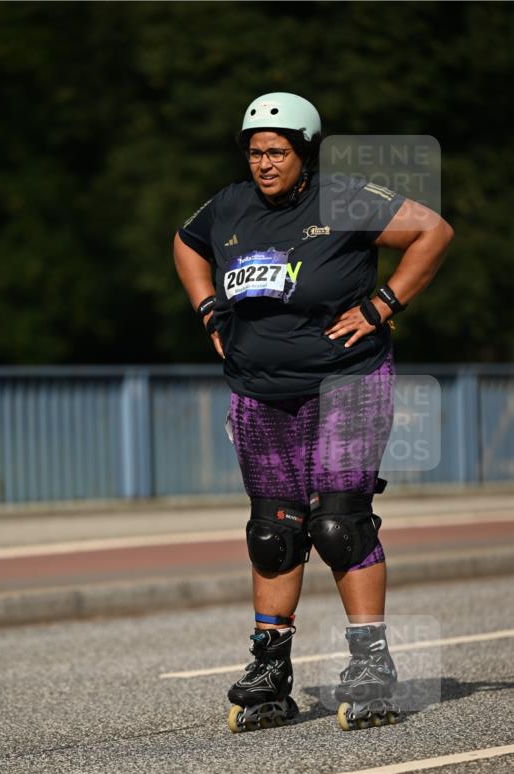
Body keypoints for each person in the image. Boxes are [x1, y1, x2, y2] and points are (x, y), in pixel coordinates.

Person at [173, 92, 454, 733]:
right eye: (255, 152)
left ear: (305, 153)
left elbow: (433, 231)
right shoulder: (229, 206)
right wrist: (208, 309)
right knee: (273, 532)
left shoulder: (344, 199)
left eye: (277, 152)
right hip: (259, 390)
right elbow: (186, 245)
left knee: (339, 525)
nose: (264, 163)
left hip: (346, 383)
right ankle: (270, 670)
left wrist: (383, 304)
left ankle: (371, 664)